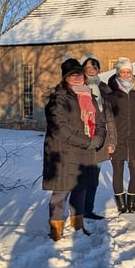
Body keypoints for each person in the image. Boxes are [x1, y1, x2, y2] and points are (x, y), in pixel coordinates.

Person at [43, 57, 107, 241]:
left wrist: (99, 138)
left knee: (81, 189)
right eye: (73, 75)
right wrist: (88, 142)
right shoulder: (59, 99)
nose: (77, 78)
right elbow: (60, 128)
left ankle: (78, 226)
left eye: (79, 74)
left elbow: (100, 122)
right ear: (65, 78)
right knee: (61, 193)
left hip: (85, 154)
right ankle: (55, 231)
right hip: (63, 153)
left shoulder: (89, 96)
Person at [105, 57, 135, 214]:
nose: (126, 74)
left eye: (128, 72)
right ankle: (121, 205)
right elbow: (106, 116)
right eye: (123, 72)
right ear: (118, 73)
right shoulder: (112, 93)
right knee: (118, 172)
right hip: (118, 138)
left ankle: (131, 203)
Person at [81, 54, 116, 220]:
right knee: (81, 177)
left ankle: (88, 209)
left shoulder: (104, 89)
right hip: (83, 138)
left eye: (94, 68)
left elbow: (110, 117)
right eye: (87, 68)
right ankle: (78, 211)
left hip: (101, 139)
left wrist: (112, 141)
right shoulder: (78, 87)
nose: (91, 71)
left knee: (94, 177)